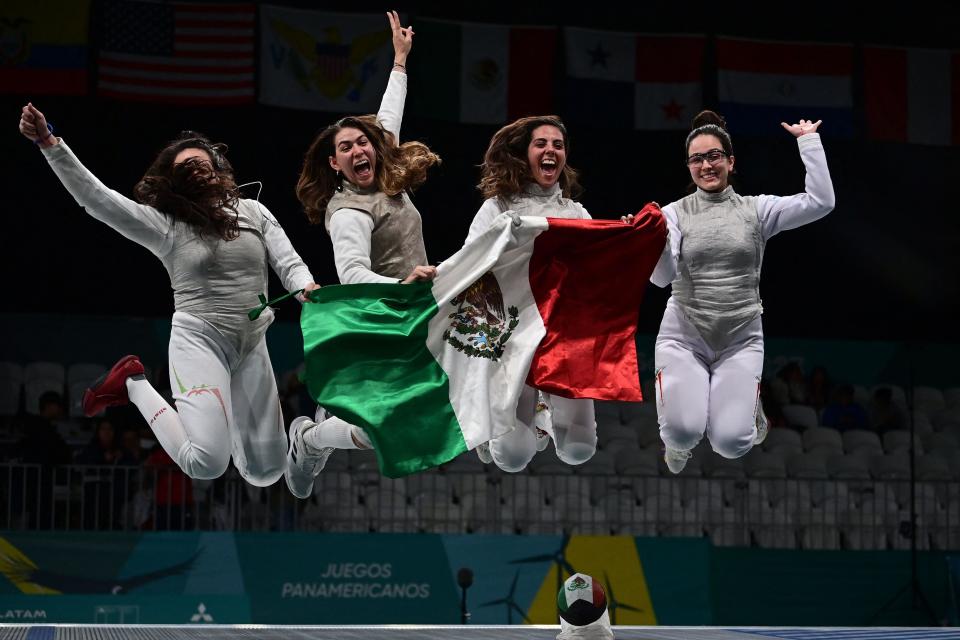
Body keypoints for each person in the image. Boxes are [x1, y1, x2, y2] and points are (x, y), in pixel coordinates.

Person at [19, 105, 319, 491]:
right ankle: (133, 383)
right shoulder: (168, 227)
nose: (194, 168)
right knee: (207, 462)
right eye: (183, 167)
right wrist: (50, 143)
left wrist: (308, 290)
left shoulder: (254, 211)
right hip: (200, 340)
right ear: (175, 182)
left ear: (217, 168)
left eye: (199, 160)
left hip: (251, 343)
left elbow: (290, 264)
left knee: (266, 472)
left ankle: (271, 445)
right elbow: (98, 199)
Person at [285, 11, 440, 497]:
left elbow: (388, 119)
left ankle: (318, 434)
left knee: (399, 425)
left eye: (362, 142)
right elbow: (351, 272)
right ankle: (309, 439)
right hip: (374, 317)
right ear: (335, 164)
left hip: (409, 315)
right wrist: (402, 286)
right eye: (345, 147)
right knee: (377, 432)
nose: (358, 150)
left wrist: (399, 60)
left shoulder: (384, 168)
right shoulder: (348, 210)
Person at [627, 111, 835, 473]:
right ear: (688, 166)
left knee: (732, 444)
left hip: (740, 338)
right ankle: (675, 445)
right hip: (684, 336)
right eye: (697, 159)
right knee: (681, 432)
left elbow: (821, 202)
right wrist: (653, 239)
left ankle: (750, 408)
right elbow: (662, 279)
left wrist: (808, 142)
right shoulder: (674, 214)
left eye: (714, 157)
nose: (706, 165)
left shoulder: (757, 210)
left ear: (730, 161)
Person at [463, 115, 596, 472]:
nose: (551, 150)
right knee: (513, 457)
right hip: (513, 338)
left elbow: (596, 269)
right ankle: (500, 427)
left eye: (558, 145)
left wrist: (628, 235)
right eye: (542, 144)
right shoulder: (498, 207)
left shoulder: (577, 213)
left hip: (561, 341)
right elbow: (468, 264)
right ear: (525, 153)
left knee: (579, 449)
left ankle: (545, 418)